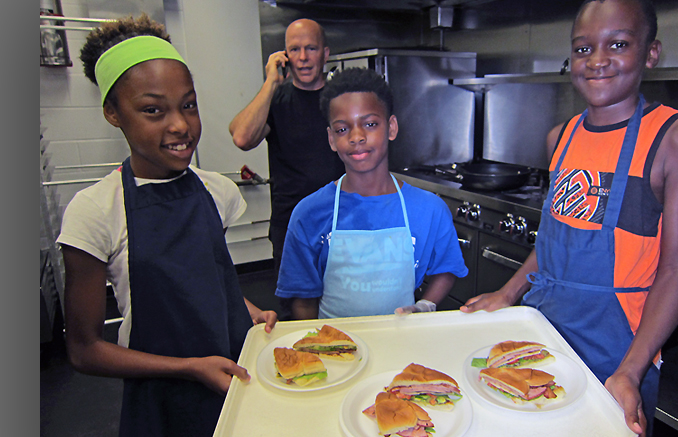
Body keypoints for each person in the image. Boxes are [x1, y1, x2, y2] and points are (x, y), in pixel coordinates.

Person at [460, 1, 678, 436]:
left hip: (618, 355)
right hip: (540, 333)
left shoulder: (676, 140)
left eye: (618, 44)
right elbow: (556, 241)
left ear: (650, 53)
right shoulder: (562, 136)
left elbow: (677, 272)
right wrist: (508, 292)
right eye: (582, 49)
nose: (597, 61)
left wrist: (631, 371)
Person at [57, 14, 278, 437]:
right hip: (160, 400)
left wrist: (247, 311)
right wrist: (189, 369)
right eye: (153, 110)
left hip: (236, 380)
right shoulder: (95, 210)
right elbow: (84, 350)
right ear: (113, 113)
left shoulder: (218, 192)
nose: (180, 125)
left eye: (188, 105)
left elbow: (208, 282)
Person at [275, 67, 469, 320]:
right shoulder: (309, 213)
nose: (357, 137)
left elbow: (447, 267)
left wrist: (425, 305)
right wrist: (319, 345)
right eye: (343, 129)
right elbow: (303, 298)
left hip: (403, 342)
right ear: (331, 139)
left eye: (370, 124)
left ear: (391, 127)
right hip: (337, 348)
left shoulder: (429, 209)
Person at [229, 18, 345, 305]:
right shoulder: (276, 99)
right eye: (294, 50)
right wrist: (271, 81)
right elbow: (242, 137)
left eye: (311, 48)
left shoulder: (341, 99)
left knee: (345, 304)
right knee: (296, 311)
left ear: (326, 54)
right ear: (284, 56)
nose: (303, 58)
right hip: (291, 224)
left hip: (343, 222)